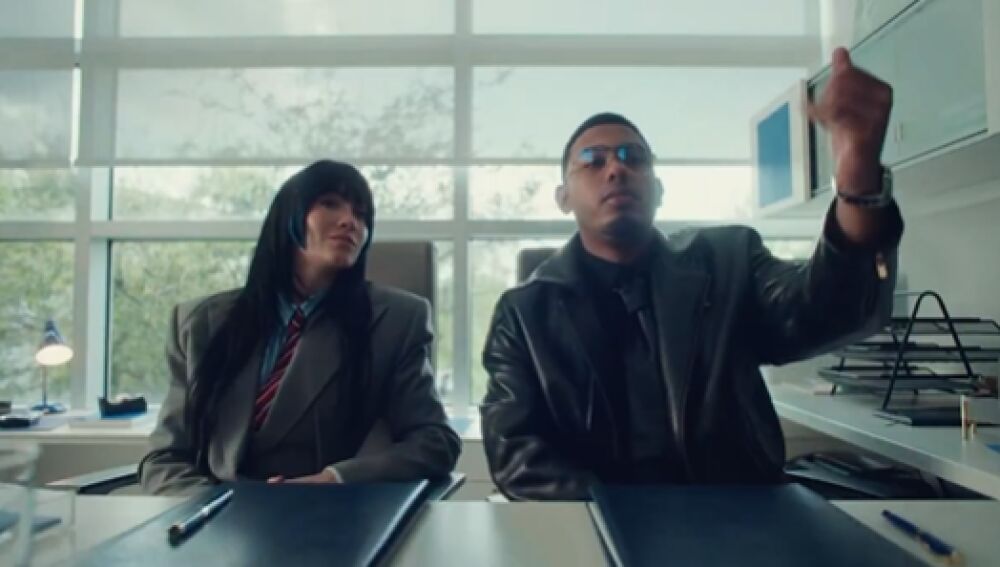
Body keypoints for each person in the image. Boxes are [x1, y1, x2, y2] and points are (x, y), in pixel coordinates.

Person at [480, 48, 904, 501]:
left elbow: (827, 310)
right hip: (595, 521)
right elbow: (516, 455)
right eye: (593, 160)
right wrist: (624, 512)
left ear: (658, 189)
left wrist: (858, 178)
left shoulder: (729, 262)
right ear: (563, 197)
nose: (617, 169)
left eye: (633, 157)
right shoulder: (523, 314)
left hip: (734, 517)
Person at [141, 160, 461, 495]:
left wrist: (334, 479)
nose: (350, 221)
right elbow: (166, 457)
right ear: (287, 217)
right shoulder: (201, 323)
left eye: (362, 214)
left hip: (321, 511)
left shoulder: (395, 320)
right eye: (330, 203)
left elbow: (434, 442)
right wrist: (214, 506)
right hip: (214, 510)